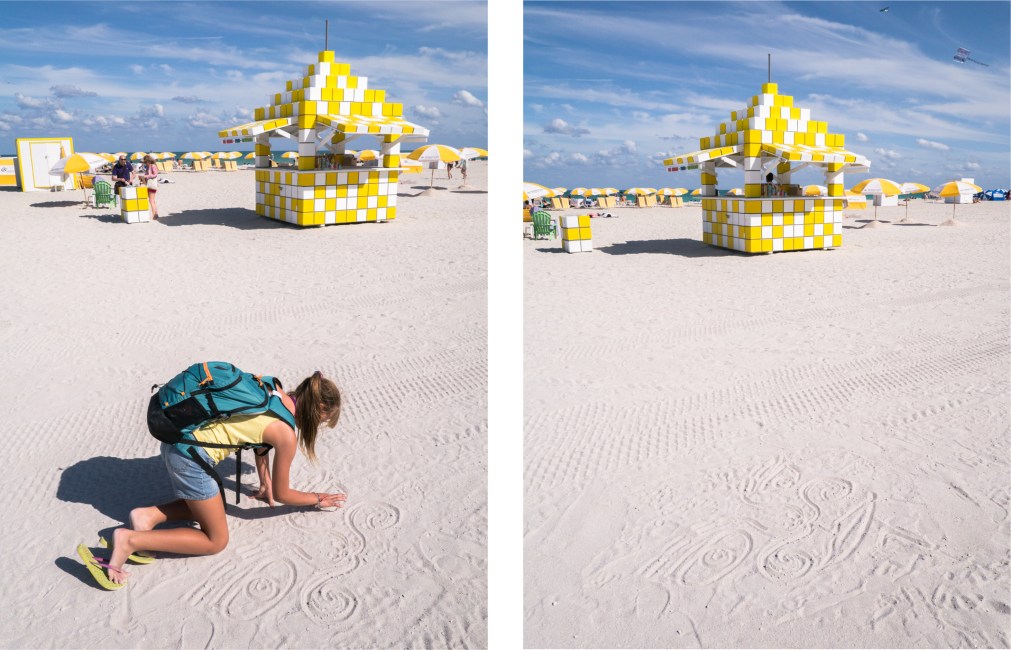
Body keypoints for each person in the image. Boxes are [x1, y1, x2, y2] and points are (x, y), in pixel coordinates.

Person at [88, 372, 345, 588]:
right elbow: (283, 494)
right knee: (216, 540)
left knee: (213, 507)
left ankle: (146, 517)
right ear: (318, 410)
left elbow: (259, 439)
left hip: (177, 442)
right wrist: (318, 498)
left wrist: (264, 480)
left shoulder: (271, 387)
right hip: (190, 460)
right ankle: (130, 540)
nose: (319, 426)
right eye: (322, 421)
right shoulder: (286, 435)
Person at [138, 155, 161, 219]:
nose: (144, 163)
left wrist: (146, 176)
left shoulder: (152, 166)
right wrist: (142, 177)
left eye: (145, 162)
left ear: (148, 161)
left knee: (151, 200)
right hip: (149, 184)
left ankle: (155, 215)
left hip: (152, 185)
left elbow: (155, 174)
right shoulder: (148, 166)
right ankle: (155, 214)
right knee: (152, 200)